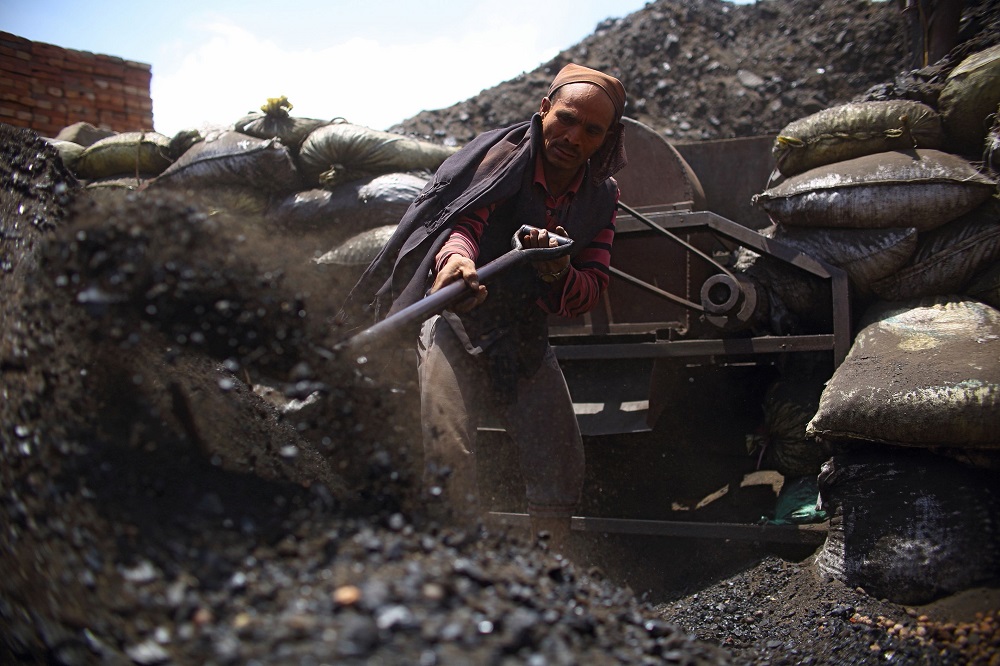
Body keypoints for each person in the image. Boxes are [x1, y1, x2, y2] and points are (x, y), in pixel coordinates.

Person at [340, 63, 627, 549]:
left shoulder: (601, 199)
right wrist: (455, 263)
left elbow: (588, 289)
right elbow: (464, 225)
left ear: (605, 138)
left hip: (523, 329)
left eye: (591, 130)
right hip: (457, 317)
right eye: (566, 119)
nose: (573, 137)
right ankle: (458, 567)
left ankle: (549, 567)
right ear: (544, 110)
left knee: (558, 458)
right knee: (448, 448)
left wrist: (555, 266)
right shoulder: (503, 160)